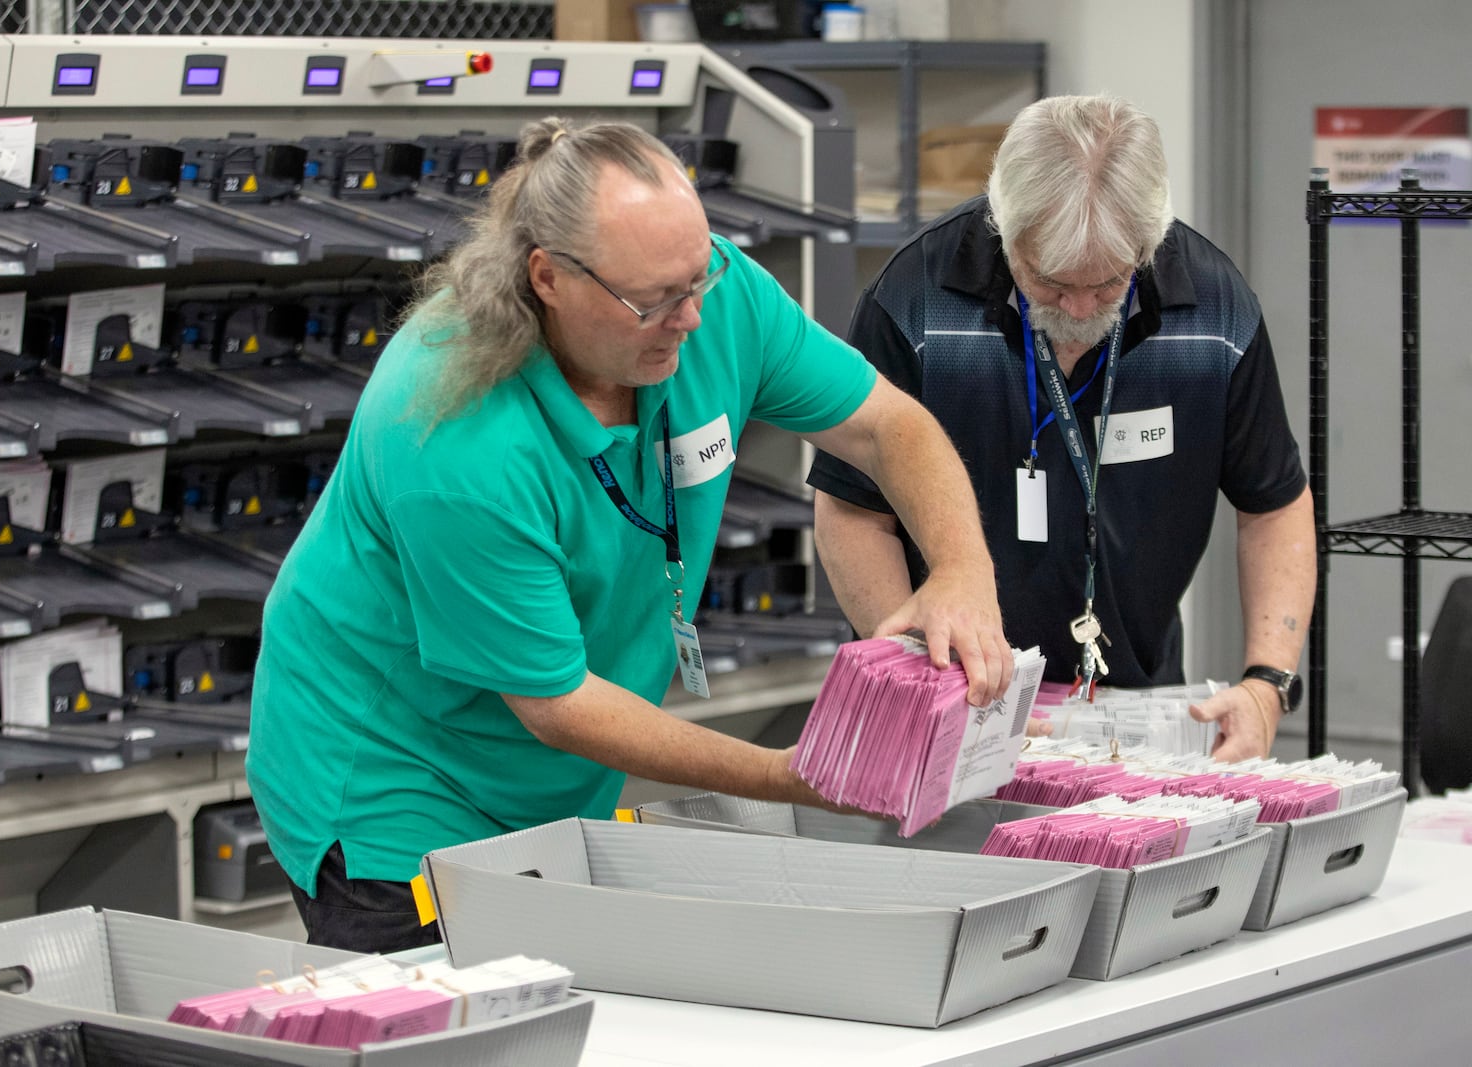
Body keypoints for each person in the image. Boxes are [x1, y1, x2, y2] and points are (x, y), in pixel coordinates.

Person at [247, 117, 1012, 953]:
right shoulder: (452, 429)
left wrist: (962, 571)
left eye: (697, 278)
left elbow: (887, 427)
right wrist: (782, 776)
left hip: (551, 773)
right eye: (653, 301)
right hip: (392, 777)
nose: (689, 318)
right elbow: (558, 702)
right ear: (548, 278)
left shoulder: (714, 296)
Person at [809, 94, 1316, 764]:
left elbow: (1274, 503)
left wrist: (1266, 682)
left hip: (1134, 707)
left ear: (1149, 241)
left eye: (1108, 284)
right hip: (944, 700)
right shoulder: (914, 296)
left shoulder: (1216, 309)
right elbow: (850, 508)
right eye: (1049, 283)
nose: (1079, 309)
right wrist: (917, 683)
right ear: (1005, 227)